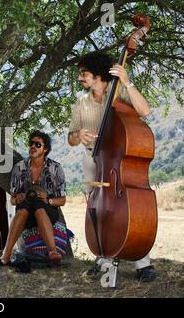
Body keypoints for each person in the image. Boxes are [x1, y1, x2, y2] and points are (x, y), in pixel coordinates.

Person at [67, 52, 156, 282]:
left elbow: (145, 111)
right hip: (92, 158)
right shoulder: (81, 103)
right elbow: (70, 138)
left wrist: (127, 81)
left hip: (118, 162)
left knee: (130, 208)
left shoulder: (120, 92)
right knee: (99, 209)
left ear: (97, 74)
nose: (80, 78)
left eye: (83, 73)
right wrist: (79, 135)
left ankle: (142, 261)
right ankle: (104, 258)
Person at [0, 130, 67, 267]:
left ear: (45, 149)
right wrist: (17, 199)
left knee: (39, 207)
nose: (33, 147)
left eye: (38, 144)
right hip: (26, 211)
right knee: (22, 210)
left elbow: (62, 200)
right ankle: (6, 255)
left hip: (47, 210)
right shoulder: (19, 167)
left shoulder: (55, 168)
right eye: (31, 144)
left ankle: (52, 252)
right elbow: (12, 199)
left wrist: (48, 200)